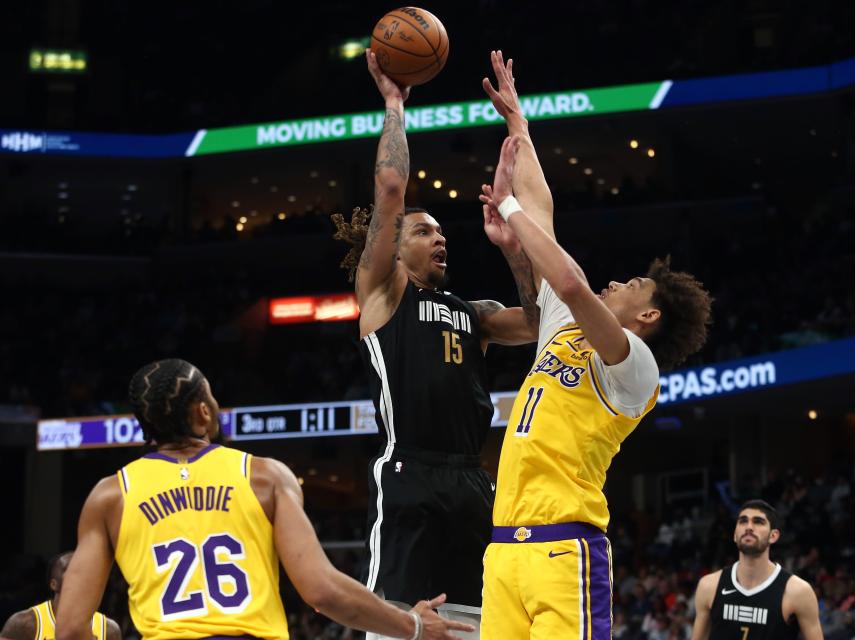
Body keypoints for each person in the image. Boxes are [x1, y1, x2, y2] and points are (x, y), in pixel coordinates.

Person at [476, 50, 713, 639]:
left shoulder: (636, 367)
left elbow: (572, 281)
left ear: (650, 313)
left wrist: (508, 205)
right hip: (504, 545)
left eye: (631, 284)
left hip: (566, 547)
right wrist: (519, 129)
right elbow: (543, 215)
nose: (616, 282)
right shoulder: (564, 326)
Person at [330, 49, 539, 615]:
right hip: (409, 473)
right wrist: (394, 105)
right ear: (393, 245)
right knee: (400, 621)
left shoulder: (475, 312)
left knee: (477, 622)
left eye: (443, 231)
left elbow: (543, 324)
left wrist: (517, 254)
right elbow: (392, 191)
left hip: (472, 478)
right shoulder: (383, 292)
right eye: (424, 231)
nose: (440, 237)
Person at [54, 359, 472, 640]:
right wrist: (413, 626)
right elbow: (322, 591)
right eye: (212, 398)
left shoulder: (110, 495)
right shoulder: (262, 476)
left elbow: (71, 628)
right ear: (201, 412)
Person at [690, 500, 824, 640]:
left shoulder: (798, 591)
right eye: (743, 521)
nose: (749, 527)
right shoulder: (709, 586)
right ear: (735, 535)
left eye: (758, 522)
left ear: (773, 536)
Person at [0, 551, 120, 640]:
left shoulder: (109, 629)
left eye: (83, 568)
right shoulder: (25, 623)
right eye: (70, 569)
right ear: (54, 584)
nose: (79, 573)